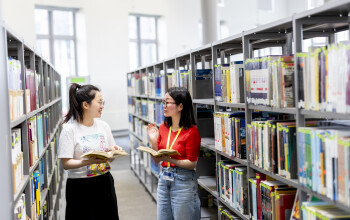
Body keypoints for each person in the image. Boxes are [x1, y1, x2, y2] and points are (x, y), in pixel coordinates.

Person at [58, 83, 121, 220]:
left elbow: (110, 158)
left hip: (104, 182)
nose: (102, 106)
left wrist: (113, 152)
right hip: (80, 188)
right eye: (99, 102)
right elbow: (66, 163)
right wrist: (87, 162)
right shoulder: (69, 129)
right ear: (85, 105)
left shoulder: (104, 126)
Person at [147, 87, 201, 220]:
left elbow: (192, 163)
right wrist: (153, 142)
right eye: (163, 102)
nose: (163, 106)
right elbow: (157, 160)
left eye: (167, 102)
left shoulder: (191, 132)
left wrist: (171, 160)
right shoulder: (163, 127)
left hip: (183, 182)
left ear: (180, 106)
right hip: (163, 180)